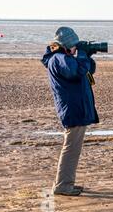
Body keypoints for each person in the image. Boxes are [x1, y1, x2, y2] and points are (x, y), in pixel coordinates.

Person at [41, 27, 99, 196]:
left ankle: (65, 183)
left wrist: (86, 55)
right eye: (74, 46)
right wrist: (81, 54)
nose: (76, 48)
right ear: (65, 46)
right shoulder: (59, 59)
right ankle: (63, 186)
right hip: (73, 109)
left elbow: (87, 71)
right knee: (71, 148)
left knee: (73, 148)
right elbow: (76, 72)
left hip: (74, 108)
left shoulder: (62, 58)